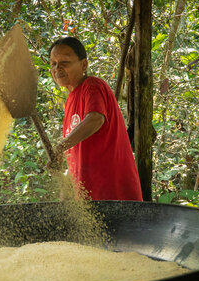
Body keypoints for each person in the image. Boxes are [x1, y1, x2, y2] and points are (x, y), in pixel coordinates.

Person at [48, 37, 143, 201]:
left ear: (83, 65)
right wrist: (65, 192)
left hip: (113, 195)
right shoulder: (71, 100)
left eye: (64, 62)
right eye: (53, 63)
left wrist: (60, 147)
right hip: (90, 201)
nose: (57, 68)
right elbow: (75, 159)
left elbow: (95, 119)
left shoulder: (92, 86)